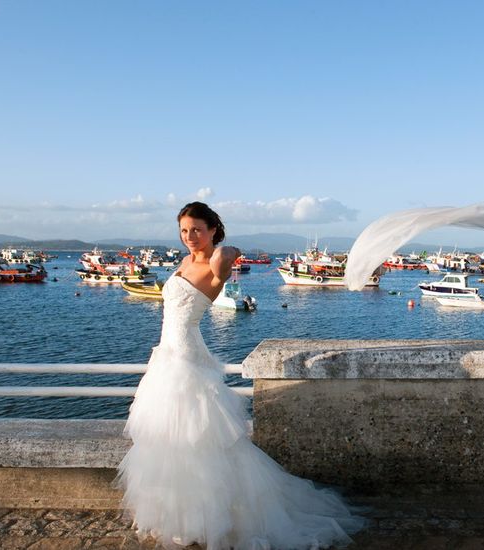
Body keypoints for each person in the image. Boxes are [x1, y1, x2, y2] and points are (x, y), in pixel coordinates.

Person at [116, 201, 365, 549]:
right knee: (171, 443)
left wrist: (226, 248)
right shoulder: (186, 261)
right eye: (184, 230)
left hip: (185, 360)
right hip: (167, 354)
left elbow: (228, 256)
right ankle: (185, 518)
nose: (190, 237)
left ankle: (213, 522)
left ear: (213, 229)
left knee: (198, 443)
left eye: (197, 230)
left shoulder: (216, 260)